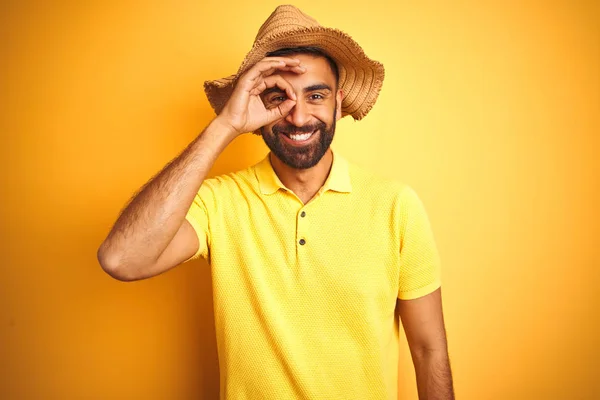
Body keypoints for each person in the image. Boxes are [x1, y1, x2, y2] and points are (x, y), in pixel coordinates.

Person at [97, 5, 454, 400]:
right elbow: (121, 259)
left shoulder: (395, 206)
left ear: (338, 103)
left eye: (315, 95)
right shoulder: (220, 202)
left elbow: (428, 350)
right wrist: (225, 126)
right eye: (277, 97)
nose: (298, 117)